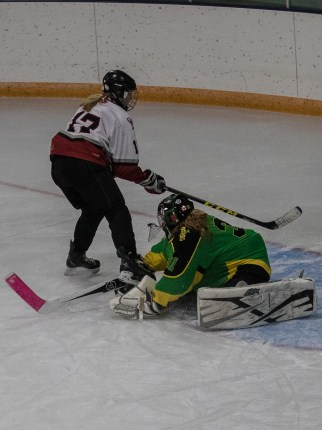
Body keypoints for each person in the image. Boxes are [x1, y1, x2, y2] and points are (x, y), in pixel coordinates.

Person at [50, 69, 166, 283]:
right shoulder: (121, 116)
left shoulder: (90, 105)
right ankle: (130, 263)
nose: (131, 99)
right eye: (128, 94)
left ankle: (76, 257)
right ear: (119, 93)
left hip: (59, 163)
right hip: (83, 163)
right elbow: (123, 167)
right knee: (117, 210)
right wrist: (149, 179)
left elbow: (107, 162)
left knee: (94, 208)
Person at [112, 193, 272, 317]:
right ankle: (237, 292)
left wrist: (155, 300)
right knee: (196, 292)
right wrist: (142, 264)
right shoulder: (186, 228)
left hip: (249, 263)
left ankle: (244, 292)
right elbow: (165, 251)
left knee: (223, 296)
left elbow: (180, 276)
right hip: (234, 261)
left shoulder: (190, 234)